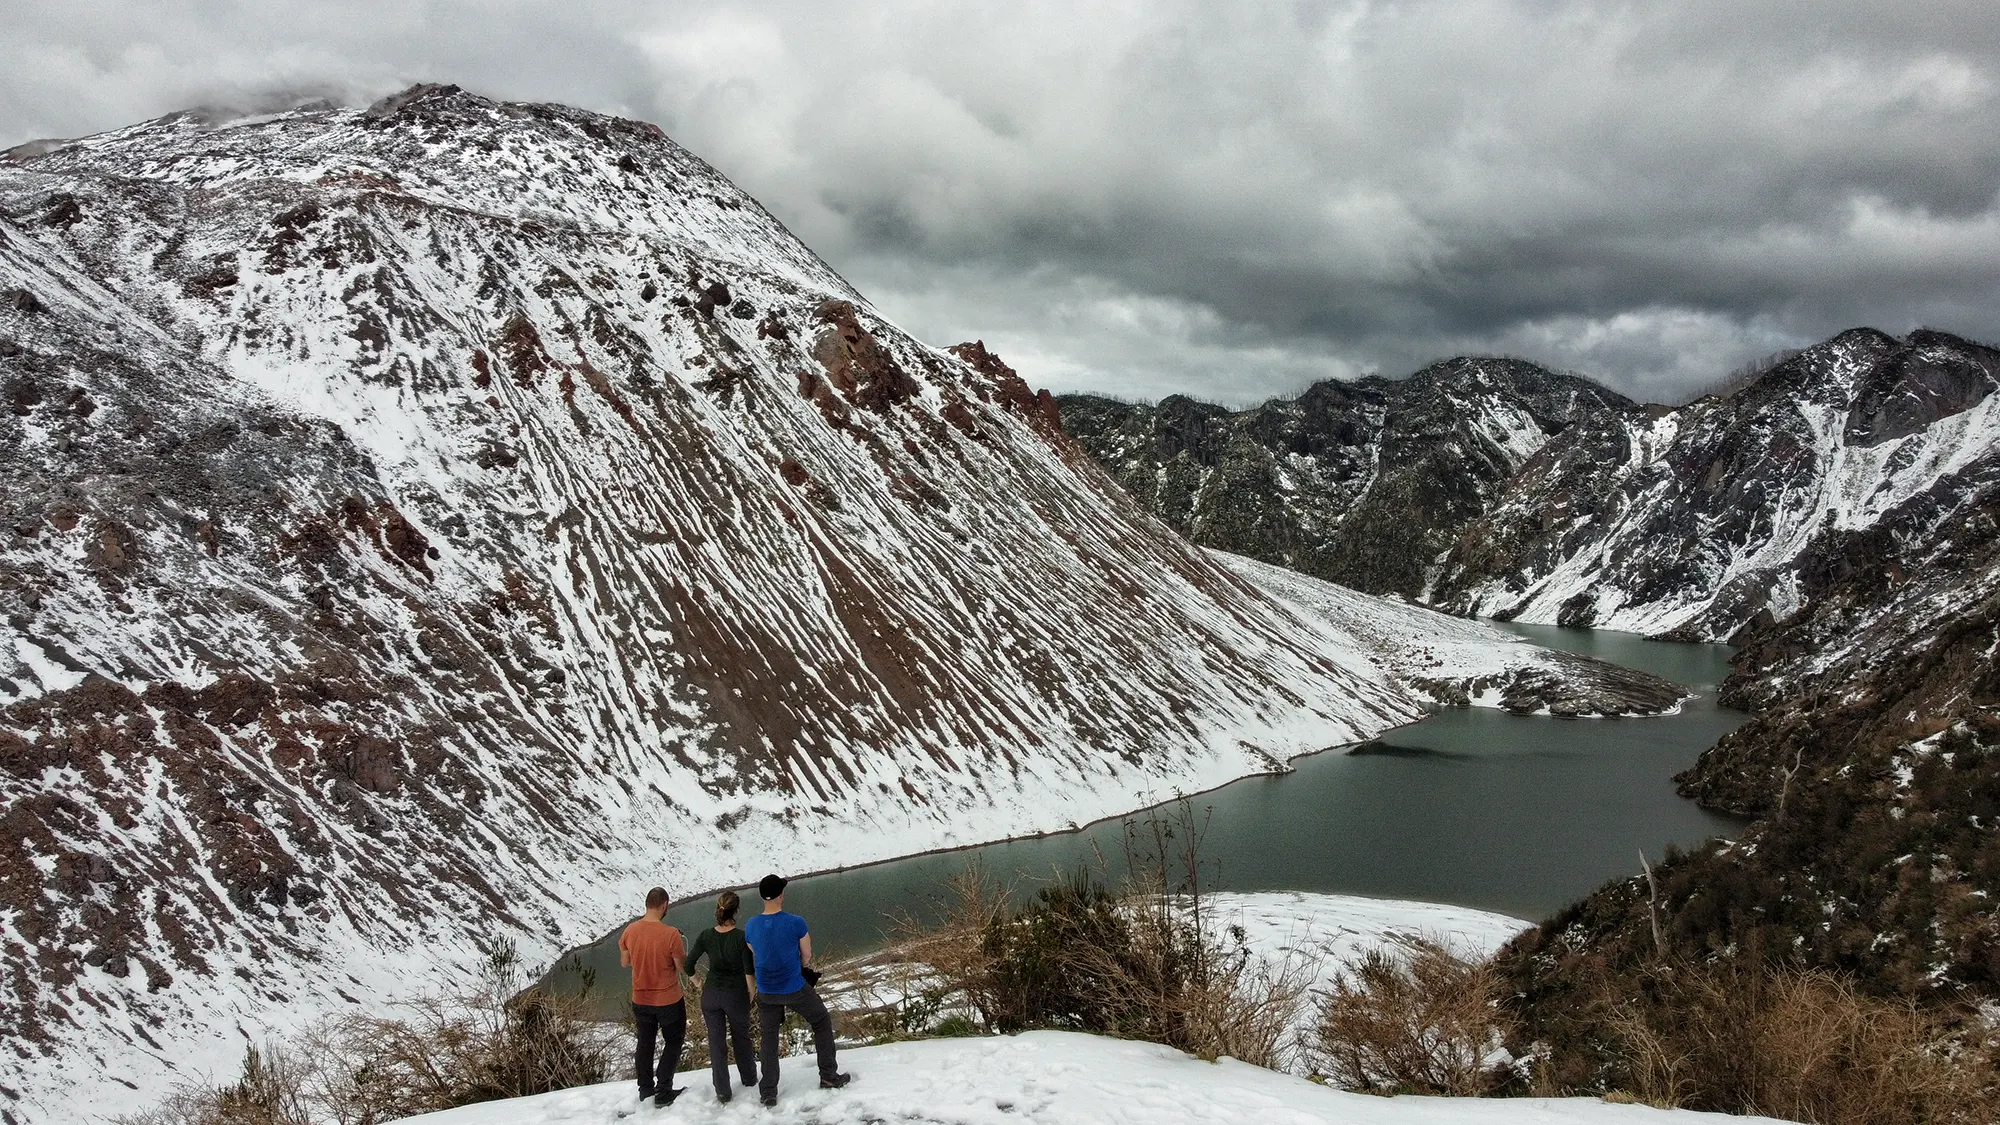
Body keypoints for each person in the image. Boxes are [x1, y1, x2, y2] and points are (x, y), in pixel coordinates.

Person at [741, 874, 849, 1106]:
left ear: (761, 896)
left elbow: (754, 950)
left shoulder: (750, 925)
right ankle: (828, 1076)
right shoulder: (795, 922)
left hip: (767, 991)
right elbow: (807, 955)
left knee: (769, 1038)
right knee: (820, 1020)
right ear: (781, 895)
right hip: (794, 986)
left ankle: (768, 1091)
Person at [684, 890, 758, 1103]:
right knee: (741, 1037)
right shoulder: (740, 937)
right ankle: (749, 1079)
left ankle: (723, 1091)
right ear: (737, 911)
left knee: (716, 1043)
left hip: (711, 995)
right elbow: (748, 970)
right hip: (735, 995)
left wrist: (699, 983)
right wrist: (751, 992)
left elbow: (688, 965)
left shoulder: (706, 935)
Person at [618, 886, 687, 1107]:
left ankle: (645, 1089)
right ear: (664, 905)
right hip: (668, 1000)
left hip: (641, 999)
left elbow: (625, 962)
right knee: (674, 1041)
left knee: (645, 1043)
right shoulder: (671, 934)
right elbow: (681, 966)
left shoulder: (630, 930)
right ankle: (664, 1088)